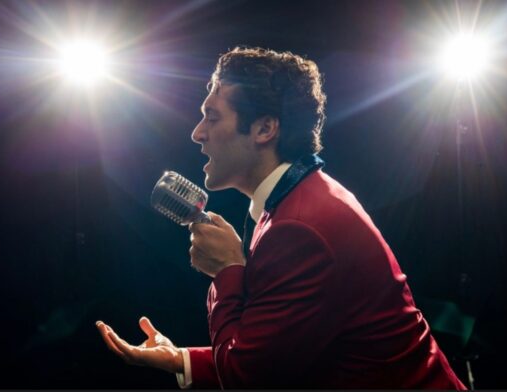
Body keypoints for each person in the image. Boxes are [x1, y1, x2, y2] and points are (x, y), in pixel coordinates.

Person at [96, 46, 466, 389]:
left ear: (264, 129)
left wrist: (227, 271)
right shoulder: (298, 200)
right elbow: (279, 351)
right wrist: (179, 360)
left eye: (212, 116)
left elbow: (248, 379)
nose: (198, 133)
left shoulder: (298, 228)